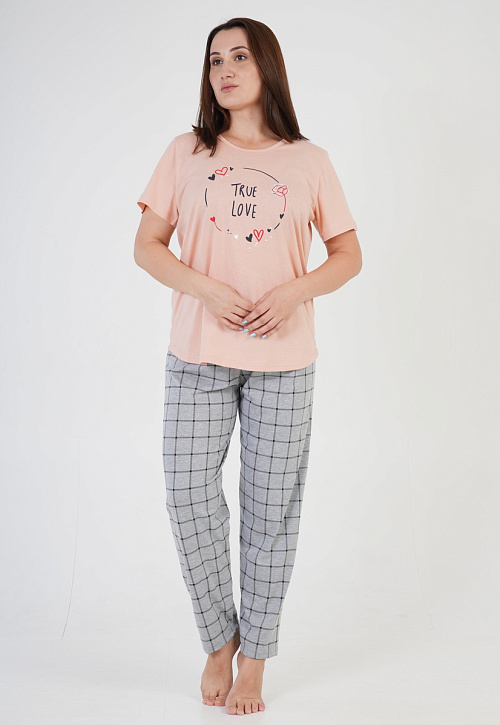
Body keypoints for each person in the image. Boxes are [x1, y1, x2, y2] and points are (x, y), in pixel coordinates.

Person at [134, 16, 362, 716]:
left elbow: (348, 255)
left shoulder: (309, 160)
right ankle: (220, 637)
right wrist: (204, 288)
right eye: (214, 60)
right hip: (196, 355)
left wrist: (295, 291)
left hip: (284, 362)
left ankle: (255, 657)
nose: (225, 70)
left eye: (238, 56)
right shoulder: (186, 152)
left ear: (267, 65)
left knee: (271, 512)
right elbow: (147, 245)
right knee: (187, 495)